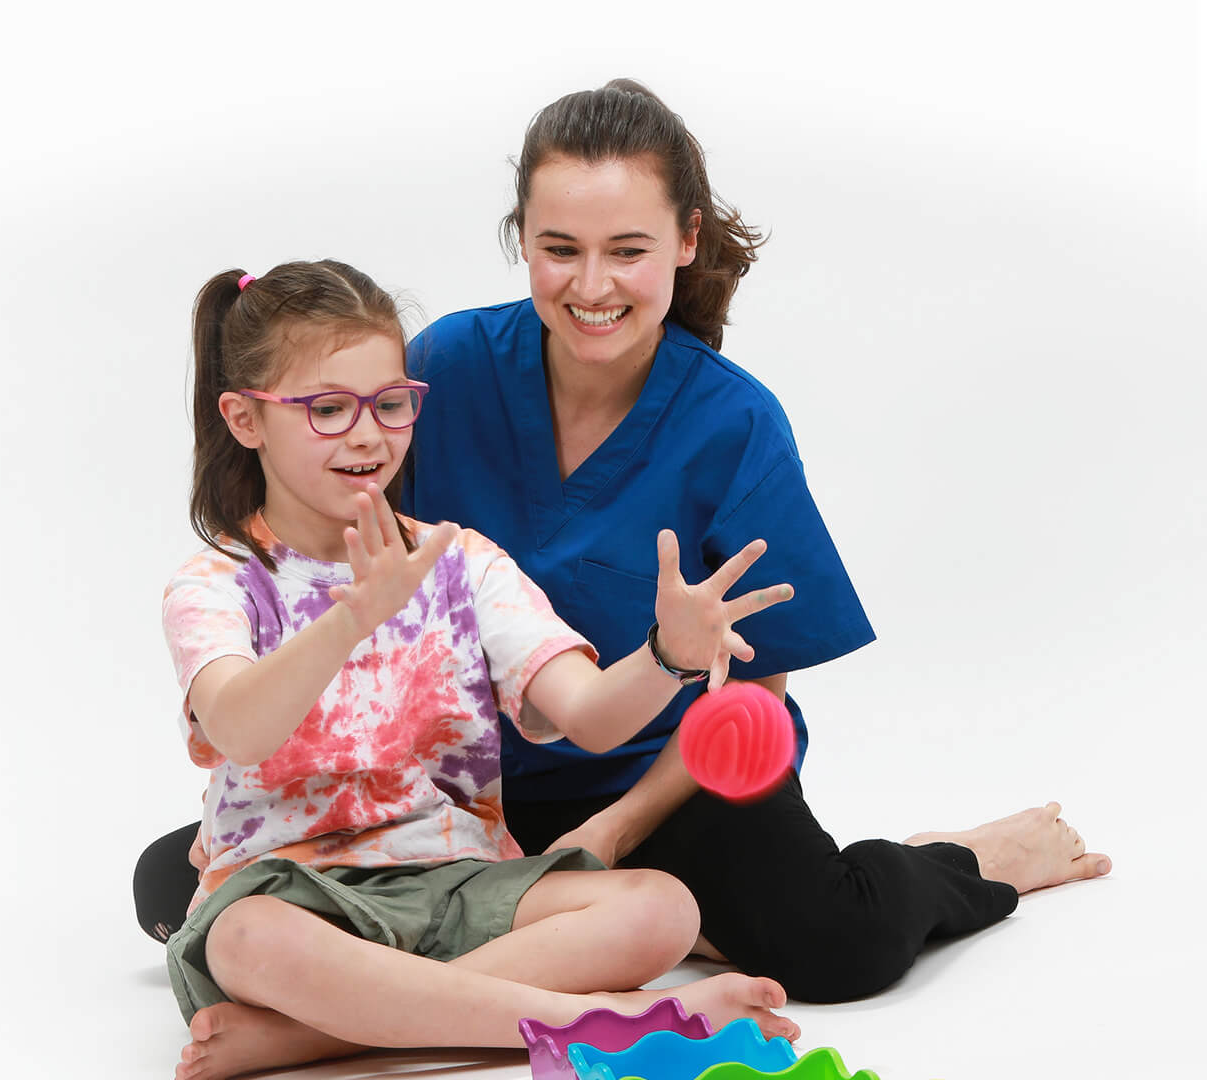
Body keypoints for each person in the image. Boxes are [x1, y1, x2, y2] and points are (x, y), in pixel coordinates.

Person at [136, 79, 1110, 1006]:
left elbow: (754, 688)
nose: (592, 285)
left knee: (833, 939)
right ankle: (658, 937)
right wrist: (265, 805)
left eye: (627, 250)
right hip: (473, 796)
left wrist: (615, 828)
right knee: (168, 888)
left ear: (685, 241)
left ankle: (963, 861)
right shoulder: (438, 374)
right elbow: (358, 577)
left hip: (667, 781)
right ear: (522, 241)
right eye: (560, 247)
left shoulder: (732, 423)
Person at [160, 259, 798, 1080]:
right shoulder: (216, 581)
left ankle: (318, 1036)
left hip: (458, 878)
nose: (368, 435)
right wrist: (355, 613)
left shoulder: (462, 559)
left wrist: (667, 655)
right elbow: (241, 727)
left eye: (390, 405)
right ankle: (604, 1022)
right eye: (327, 410)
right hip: (293, 893)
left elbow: (592, 717)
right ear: (246, 419)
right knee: (245, 937)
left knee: (663, 908)